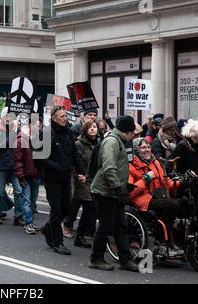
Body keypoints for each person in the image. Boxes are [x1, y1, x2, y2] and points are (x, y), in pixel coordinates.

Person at [89, 115, 139, 272]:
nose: (134, 137)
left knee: (120, 226)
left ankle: (125, 260)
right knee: (105, 226)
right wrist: (118, 188)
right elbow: (109, 167)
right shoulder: (112, 142)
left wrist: (124, 186)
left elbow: (118, 167)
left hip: (113, 191)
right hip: (104, 191)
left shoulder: (118, 141)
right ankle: (96, 259)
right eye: (133, 133)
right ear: (127, 132)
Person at [39, 106, 86, 256]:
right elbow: (40, 157)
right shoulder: (46, 134)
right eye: (62, 116)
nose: (65, 118)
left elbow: (74, 153)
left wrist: (80, 171)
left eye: (65, 115)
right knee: (56, 209)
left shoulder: (69, 133)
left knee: (66, 208)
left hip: (66, 177)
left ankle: (48, 228)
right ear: (54, 118)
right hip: (52, 178)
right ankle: (58, 242)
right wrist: (58, 167)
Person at [128, 138, 182, 256]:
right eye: (143, 147)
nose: (147, 150)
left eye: (148, 147)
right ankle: (159, 240)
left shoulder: (155, 162)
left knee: (183, 203)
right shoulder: (131, 165)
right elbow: (130, 192)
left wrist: (181, 182)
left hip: (154, 196)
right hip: (142, 201)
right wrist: (145, 179)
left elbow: (165, 183)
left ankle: (178, 241)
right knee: (172, 205)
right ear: (136, 150)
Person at [63, 121, 99, 248]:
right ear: (85, 130)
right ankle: (98, 240)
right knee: (91, 209)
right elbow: (75, 162)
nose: (93, 129)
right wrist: (80, 176)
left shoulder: (98, 144)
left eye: (94, 127)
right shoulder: (78, 144)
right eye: (90, 127)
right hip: (81, 180)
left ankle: (79, 236)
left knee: (88, 210)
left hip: (94, 179)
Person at [167, 119, 198, 203]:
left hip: (196, 182)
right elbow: (173, 165)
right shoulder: (183, 146)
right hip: (186, 185)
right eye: (197, 137)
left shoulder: (196, 145)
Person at [0, 108, 21, 226]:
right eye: (7, 116)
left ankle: (18, 216)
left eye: (11, 116)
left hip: (14, 165)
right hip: (1, 166)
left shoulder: (18, 130)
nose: (9, 118)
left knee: (18, 191)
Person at [14, 123, 41, 235]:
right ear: (30, 125)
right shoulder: (20, 141)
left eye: (39, 126)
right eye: (36, 125)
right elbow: (18, 161)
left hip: (35, 175)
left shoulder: (36, 140)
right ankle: (28, 223)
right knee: (26, 200)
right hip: (25, 176)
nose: (38, 128)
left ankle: (31, 222)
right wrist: (21, 176)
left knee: (32, 202)